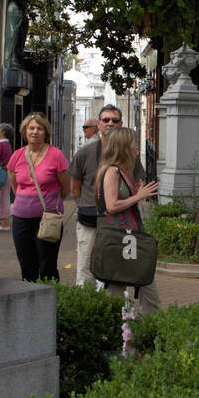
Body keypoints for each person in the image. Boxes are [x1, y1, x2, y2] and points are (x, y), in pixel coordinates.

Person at [69, 105, 142, 289]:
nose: (110, 123)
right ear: (98, 123)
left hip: (118, 223)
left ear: (121, 123)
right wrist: (85, 205)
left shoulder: (131, 155)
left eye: (115, 120)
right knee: (86, 268)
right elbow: (74, 188)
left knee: (117, 271)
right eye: (106, 120)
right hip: (89, 222)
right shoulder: (84, 153)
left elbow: (138, 183)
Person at [95, 126, 161, 314]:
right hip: (118, 239)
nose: (136, 147)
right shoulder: (112, 172)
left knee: (147, 286)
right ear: (123, 147)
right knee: (117, 290)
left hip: (131, 238)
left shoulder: (125, 171)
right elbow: (111, 206)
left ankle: (145, 328)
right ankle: (119, 332)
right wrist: (138, 196)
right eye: (133, 143)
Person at [7, 112, 70, 281]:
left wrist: (51, 205)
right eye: (31, 128)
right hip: (21, 219)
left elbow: (65, 188)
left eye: (39, 128)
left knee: (48, 266)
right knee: (27, 266)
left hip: (48, 219)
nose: (35, 132)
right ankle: (30, 304)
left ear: (46, 132)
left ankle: (52, 302)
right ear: (25, 131)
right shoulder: (17, 156)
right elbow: (15, 186)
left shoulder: (56, 155)